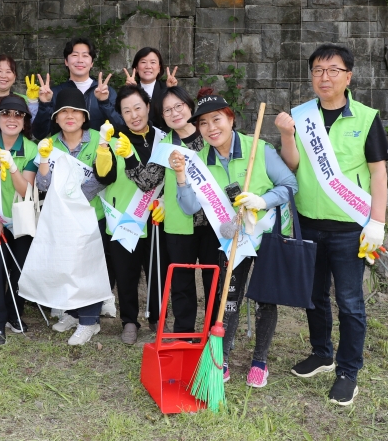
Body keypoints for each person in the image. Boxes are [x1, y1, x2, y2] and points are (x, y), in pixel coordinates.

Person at [275, 43, 388, 406]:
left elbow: (378, 174)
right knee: (314, 296)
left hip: (349, 226)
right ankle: (322, 353)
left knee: (350, 301)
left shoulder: (367, 117)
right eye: (318, 71)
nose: (324, 77)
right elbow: (290, 166)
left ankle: (348, 371)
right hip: (308, 222)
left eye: (333, 70)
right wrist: (287, 135)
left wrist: (378, 223)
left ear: (348, 76)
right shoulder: (301, 115)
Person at [171, 88, 297, 387]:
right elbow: (189, 207)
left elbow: (290, 184)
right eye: (203, 123)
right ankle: (222, 358)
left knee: (266, 299)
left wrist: (263, 200)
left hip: (268, 233)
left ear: (231, 119)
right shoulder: (198, 160)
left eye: (217, 120)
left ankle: (259, 361)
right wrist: (180, 175)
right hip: (234, 238)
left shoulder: (260, 149)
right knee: (228, 299)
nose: (211, 128)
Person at [34, 85, 118, 345]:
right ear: (56, 118)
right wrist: (46, 162)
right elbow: (43, 186)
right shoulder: (49, 144)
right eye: (63, 112)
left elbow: (104, 178)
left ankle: (89, 321)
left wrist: (75, 198)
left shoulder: (99, 139)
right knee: (68, 266)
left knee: (89, 269)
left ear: (84, 116)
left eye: (75, 112)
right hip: (61, 218)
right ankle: (72, 313)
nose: (69, 116)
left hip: (91, 215)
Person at [100, 84, 168, 345]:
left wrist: (164, 202)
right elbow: (103, 176)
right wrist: (104, 150)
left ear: (148, 107)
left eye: (138, 107)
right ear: (120, 114)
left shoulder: (164, 139)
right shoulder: (115, 141)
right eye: (126, 111)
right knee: (126, 274)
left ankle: (157, 317)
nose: (134, 115)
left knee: (157, 272)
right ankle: (129, 320)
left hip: (156, 219)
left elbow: (167, 179)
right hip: (123, 217)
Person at [0, 95, 39, 346]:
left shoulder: (31, 149)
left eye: (18, 115)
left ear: (25, 121)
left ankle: (15, 314)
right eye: (6, 114)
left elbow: (26, 191)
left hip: (21, 219)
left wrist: (12, 167)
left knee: (21, 269)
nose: (11, 119)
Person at [153, 86, 218, 337]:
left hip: (213, 223)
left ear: (189, 107)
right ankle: (184, 333)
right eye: (167, 110)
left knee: (215, 281)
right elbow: (148, 181)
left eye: (178, 106)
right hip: (179, 224)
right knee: (181, 282)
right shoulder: (164, 146)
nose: (174, 113)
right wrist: (128, 158)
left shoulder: (211, 135)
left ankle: (215, 333)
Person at [31, 38, 124, 139]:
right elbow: (39, 134)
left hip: (100, 151)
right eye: (74, 55)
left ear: (92, 63)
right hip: (64, 153)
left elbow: (121, 129)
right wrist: (45, 105)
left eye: (85, 55)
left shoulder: (107, 92)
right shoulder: (54, 93)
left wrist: (104, 103)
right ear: (66, 61)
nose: (80, 60)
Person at [122, 47, 178, 131]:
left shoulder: (166, 88)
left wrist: (172, 91)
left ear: (159, 68)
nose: (148, 66)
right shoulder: (128, 91)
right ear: (136, 68)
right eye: (143, 62)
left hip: (163, 139)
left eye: (153, 62)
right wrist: (131, 91)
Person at [0, 54, 40, 128]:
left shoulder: (24, 101)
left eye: (8, 72)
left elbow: (35, 129)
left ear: (14, 77)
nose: (3, 76)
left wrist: (33, 101)